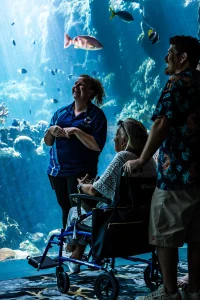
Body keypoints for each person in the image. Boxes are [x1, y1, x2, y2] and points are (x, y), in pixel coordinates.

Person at [124, 35, 200, 300]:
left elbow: (160, 123)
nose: (165, 57)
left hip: (175, 172)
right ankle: (194, 290)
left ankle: (169, 293)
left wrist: (141, 160)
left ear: (183, 58)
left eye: (170, 52)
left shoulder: (176, 82)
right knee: (197, 237)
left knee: (164, 234)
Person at [65, 118, 157, 273]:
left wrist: (81, 185)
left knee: (74, 212)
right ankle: (78, 251)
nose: (114, 138)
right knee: (89, 211)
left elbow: (96, 191)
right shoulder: (149, 161)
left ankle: (72, 249)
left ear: (125, 140)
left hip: (115, 222)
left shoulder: (122, 157)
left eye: (117, 135)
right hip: (141, 221)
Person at [44, 75, 107, 229]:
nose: (76, 87)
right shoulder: (61, 113)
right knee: (65, 207)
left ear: (91, 92)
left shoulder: (96, 116)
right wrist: (51, 130)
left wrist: (77, 131)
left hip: (81, 171)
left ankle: (76, 247)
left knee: (79, 209)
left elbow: (97, 145)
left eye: (81, 85)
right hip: (57, 171)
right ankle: (67, 244)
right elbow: (48, 142)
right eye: (75, 84)